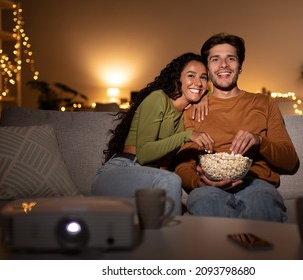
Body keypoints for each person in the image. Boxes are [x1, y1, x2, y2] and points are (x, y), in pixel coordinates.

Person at [174, 33, 299, 221]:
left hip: (257, 184)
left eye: (231, 59)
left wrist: (259, 141)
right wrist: (198, 183)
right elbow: (183, 164)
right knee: (208, 212)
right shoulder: (193, 108)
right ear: (207, 68)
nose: (223, 65)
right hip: (209, 187)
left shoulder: (264, 103)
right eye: (215, 59)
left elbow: (290, 161)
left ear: (239, 66)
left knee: (263, 213)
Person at [91, 52, 214, 215]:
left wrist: (206, 97)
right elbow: (144, 154)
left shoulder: (186, 113)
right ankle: (176, 237)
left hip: (149, 176)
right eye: (191, 75)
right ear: (178, 78)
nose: (198, 83)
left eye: (204, 78)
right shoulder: (158, 99)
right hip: (119, 171)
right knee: (170, 179)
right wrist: (188, 135)